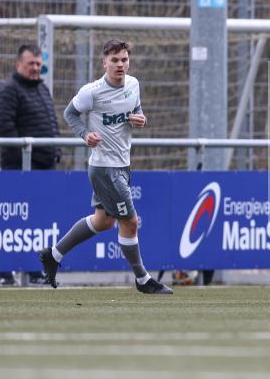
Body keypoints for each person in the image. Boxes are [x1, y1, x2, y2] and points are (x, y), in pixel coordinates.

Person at [38, 39, 172, 294]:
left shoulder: (133, 84)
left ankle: (53, 255)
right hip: (104, 168)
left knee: (102, 221)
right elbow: (69, 114)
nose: (120, 64)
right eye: (114, 60)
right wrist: (85, 134)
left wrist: (140, 119)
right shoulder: (93, 91)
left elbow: (136, 110)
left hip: (123, 164)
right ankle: (143, 280)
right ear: (104, 63)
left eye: (124, 59)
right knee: (130, 221)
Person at [0, 43, 58, 286]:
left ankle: (33, 270)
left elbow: (51, 124)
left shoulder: (42, 88)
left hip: (44, 168)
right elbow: (6, 129)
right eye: (31, 63)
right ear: (17, 64)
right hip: (20, 170)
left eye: (39, 64)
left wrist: (56, 151)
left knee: (39, 222)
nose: (35, 68)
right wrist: (25, 161)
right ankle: (5, 273)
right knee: (13, 223)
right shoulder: (8, 90)